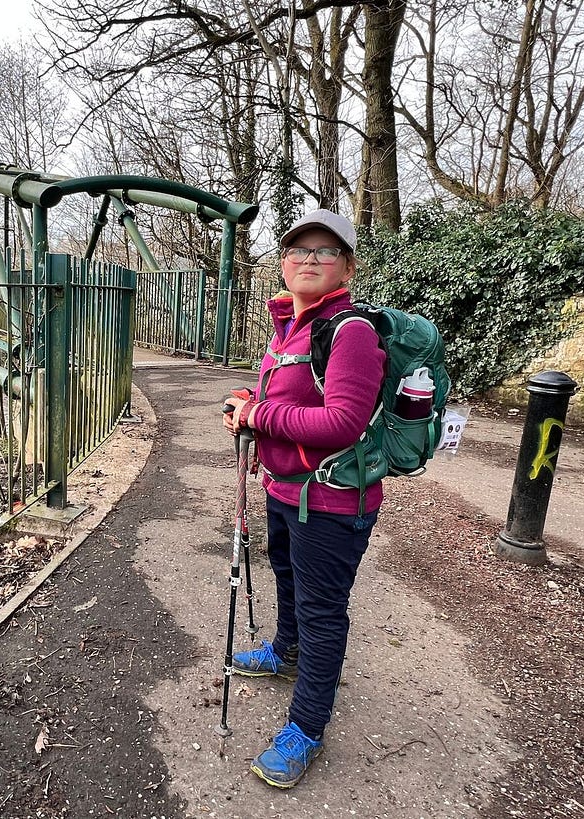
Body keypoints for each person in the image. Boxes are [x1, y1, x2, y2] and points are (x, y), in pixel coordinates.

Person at [221, 209, 386, 789]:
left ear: (348, 266)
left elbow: (342, 421)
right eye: (298, 250)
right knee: (287, 580)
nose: (310, 259)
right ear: (283, 263)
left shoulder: (352, 332)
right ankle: (283, 652)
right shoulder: (287, 328)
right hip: (284, 488)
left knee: (322, 612)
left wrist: (258, 413)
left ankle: (306, 728)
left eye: (325, 251)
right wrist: (248, 397)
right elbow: (278, 393)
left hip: (333, 502)